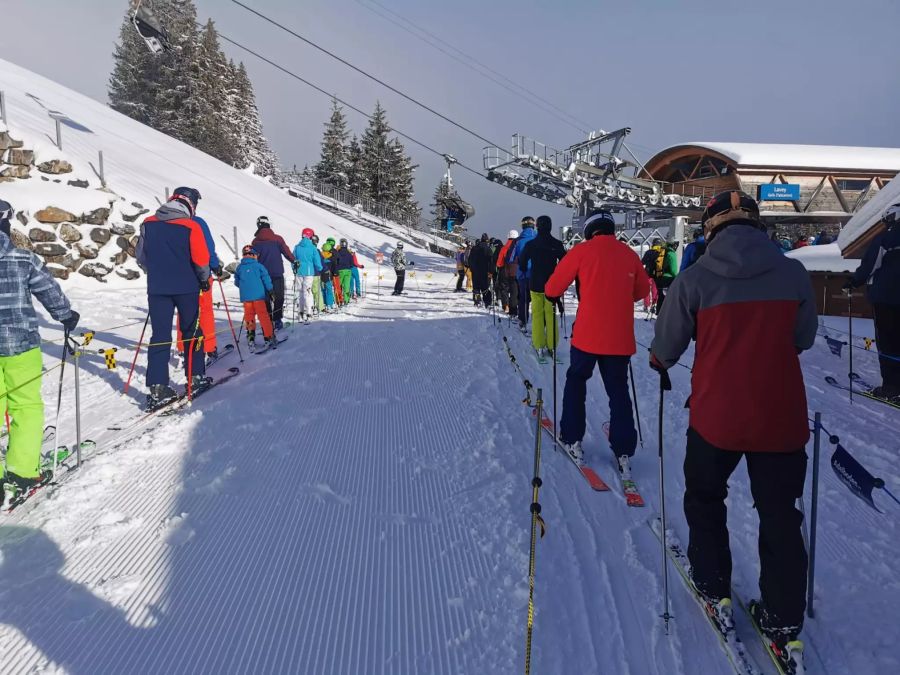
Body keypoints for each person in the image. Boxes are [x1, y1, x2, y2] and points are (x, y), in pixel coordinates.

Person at [650, 190, 817, 656]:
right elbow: (803, 338)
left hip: (716, 417)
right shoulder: (794, 272)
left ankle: (712, 582)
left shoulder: (696, 277)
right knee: (781, 515)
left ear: (710, 227)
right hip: (780, 417)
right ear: (757, 224)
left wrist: (659, 359)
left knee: (704, 496)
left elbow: (666, 346)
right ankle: (783, 621)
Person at [544, 210, 649, 474]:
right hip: (620, 338)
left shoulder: (582, 251)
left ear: (590, 230)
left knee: (576, 380)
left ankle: (571, 437)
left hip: (588, 336)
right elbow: (642, 290)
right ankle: (624, 449)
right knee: (618, 391)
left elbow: (552, 289)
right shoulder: (629, 254)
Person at [0, 223, 79, 494]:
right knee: (25, 405)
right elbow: (47, 289)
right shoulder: (23, 258)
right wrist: (65, 315)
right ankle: (22, 472)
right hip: (20, 343)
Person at [136, 187, 211, 409]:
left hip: (157, 288)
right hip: (186, 287)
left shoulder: (148, 223)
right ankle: (195, 376)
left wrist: (156, 273)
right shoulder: (191, 226)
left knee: (159, 335)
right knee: (191, 331)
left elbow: (141, 256)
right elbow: (201, 259)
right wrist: (204, 279)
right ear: (190, 205)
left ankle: (158, 386)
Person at [844, 202, 900, 400]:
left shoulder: (885, 238)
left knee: (887, 341)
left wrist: (853, 282)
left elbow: (870, 265)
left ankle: (891, 387)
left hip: (886, 298)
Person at [519, 215, 566, 359]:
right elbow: (565, 263)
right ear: (550, 226)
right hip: (552, 286)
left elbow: (522, 263)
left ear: (537, 226)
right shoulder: (557, 244)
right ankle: (552, 346)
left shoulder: (531, 245)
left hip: (535, 284)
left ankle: (539, 345)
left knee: (537, 315)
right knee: (551, 315)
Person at [251, 215, 295, 330]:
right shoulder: (278, 239)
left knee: (265, 298)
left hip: (262, 275)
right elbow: (286, 252)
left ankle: (268, 321)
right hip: (277, 272)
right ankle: (277, 320)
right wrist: (294, 260)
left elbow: (252, 259)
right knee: (279, 296)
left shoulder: (255, 242)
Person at [234, 245, 276, 349]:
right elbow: (266, 278)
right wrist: (270, 290)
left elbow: (237, 282)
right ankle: (268, 337)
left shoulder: (239, 267)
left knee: (249, 316)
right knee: (263, 316)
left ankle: (250, 337)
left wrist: (246, 288)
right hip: (258, 296)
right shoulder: (258, 266)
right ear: (253, 255)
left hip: (246, 298)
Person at [508, 217, 537, 330]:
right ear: (533, 225)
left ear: (523, 226)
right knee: (537, 298)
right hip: (537, 274)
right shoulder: (538, 237)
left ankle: (523, 322)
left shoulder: (518, 240)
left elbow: (510, 258)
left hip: (523, 274)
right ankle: (538, 324)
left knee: (523, 299)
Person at [292, 228, 322, 324]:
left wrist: (294, 268)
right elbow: (317, 261)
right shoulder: (312, 248)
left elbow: (293, 259)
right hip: (309, 272)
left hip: (299, 272)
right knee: (308, 292)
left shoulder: (297, 247)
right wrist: (320, 268)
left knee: (300, 292)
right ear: (310, 236)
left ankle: (300, 313)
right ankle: (309, 313)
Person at [467, 234, 494, 307]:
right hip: (485, 272)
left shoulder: (474, 248)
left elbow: (469, 260)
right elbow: (491, 261)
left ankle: (477, 301)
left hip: (475, 272)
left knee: (476, 288)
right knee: (485, 288)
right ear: (487, 240)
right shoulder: (488, 249)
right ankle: (487, 303)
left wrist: (472, 269)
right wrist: (491, 271)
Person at [496, 229, 519, 314]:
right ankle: (515, 307)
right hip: (516, 271)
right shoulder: (518, 246)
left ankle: (506, 306)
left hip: (505, 271)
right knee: (514, 290)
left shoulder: (504, 248)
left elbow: (499, 263)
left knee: (504, 289)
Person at [654, 239, 679, 313]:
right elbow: (674, 270)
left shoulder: (663, 251)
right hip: (668, 279)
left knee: (661, 297)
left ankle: (659, 314)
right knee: (668, 298)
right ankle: (666, 315)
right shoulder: (672, 254)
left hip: (659, 277)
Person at [333, 238, 355, 307]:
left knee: (339, 286)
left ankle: (339, 300)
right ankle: (346, 299)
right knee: (347, 286)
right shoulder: (349, 253)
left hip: (340, 271)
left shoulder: (338, 252)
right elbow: (352, 263)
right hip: (348, 271)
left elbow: (335, 262)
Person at [310, 234, 324, 313]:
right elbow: (321, 262)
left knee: (307, 291)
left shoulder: (306, 249)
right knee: (317, 291)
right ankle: (320, 307)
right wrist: (322, 269)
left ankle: (309, 308)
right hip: (315, 273)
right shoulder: (317, 251)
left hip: (306, 273)